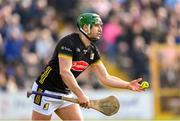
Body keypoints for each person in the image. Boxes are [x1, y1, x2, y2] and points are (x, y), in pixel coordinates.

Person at [31, 13, 144, 121]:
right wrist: (81, 95)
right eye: (96, 26)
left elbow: (105, 77)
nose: (100, 29)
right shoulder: (68, 43)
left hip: (65, 91)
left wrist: (127, 85)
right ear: (85, 27)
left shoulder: (92, 51)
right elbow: (64, 72)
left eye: (100, 26)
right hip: (45, 90)